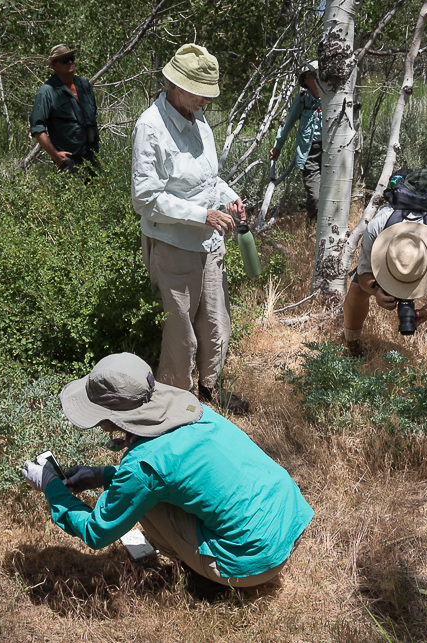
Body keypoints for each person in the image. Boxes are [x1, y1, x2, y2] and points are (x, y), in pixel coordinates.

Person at [21, 353, 313, 587]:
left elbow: (95, 532)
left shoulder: (142, 467)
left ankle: (205, 580)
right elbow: (178, 472)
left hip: (252, 561)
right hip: (290, 520)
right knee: (148, 491)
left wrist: (51, 486)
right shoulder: (193, 413)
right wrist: (101, 475)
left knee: (146, 502)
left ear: (111, 417)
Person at [131, 43, 249, 414]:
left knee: (216, 321)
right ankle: (175, 403)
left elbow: (208, 179)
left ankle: (211, 389)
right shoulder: (150, 127)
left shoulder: (198, 120)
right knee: (180, 331)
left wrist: (229, 198)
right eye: (200, 93)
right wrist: (203, 215)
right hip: (174, 244)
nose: (206, 101)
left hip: (209, 241)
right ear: (177, 86)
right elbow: (145, 199)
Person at [342, 170, 427, 356]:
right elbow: (363, 275)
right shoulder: (379, 225)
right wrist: (376, 291)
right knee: (356, 289)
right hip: (394, 238)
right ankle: (351, 344)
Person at [29, 44, 100, 172]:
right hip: (69, 161)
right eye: (64, 60)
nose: (70, 62)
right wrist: (57, 156)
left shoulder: (84, 85)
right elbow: (37, 128)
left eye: (72, 58)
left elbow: (94, 115)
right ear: (54, 65)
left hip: (92, 156)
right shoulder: (47, 92)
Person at [270, 61, 322, 222]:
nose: (318, 78)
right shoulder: (301, 101)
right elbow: (288, 125)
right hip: (310, 155)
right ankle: (311, 227)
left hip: (331, 153)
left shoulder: (331, 99)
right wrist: (278, 147)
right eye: (314, 75)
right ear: (306, 80)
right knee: (315, 196)